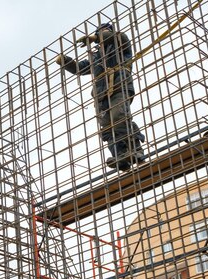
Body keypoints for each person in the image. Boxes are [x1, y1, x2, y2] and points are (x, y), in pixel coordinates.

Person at [56, 22, 145, 171]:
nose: (102, 35)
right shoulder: (97, 56)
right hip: (101, 94)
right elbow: (80, 68)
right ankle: (120, 156)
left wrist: (95, 37)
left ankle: (135, 150)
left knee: (119, 117)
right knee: (107, 128)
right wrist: (66, 62)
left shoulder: (121, 43)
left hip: (119, 85)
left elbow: (116, 37)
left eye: (104, 32)